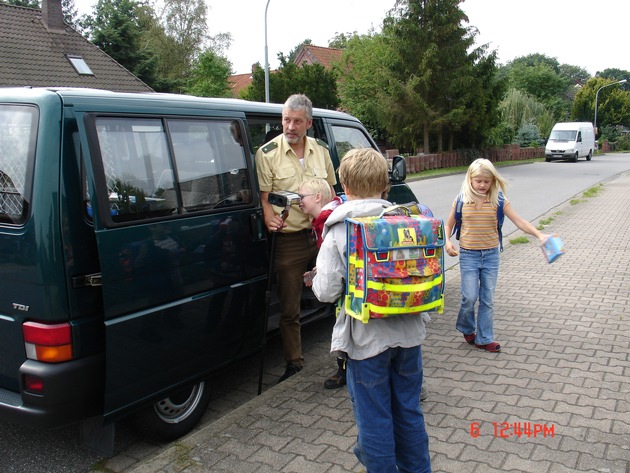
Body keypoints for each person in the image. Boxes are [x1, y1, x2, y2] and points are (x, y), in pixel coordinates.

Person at [312, 148, 431, 473]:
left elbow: (326, 291)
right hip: (409, 336)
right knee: (408, 412)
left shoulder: (340, 229)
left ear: (344, 187)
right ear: (385, 186)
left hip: (365, 343)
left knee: (375, 418)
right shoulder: (406, 222)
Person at [255, 94, 337, 383]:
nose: (290, 126)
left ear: (309, 123)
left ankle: (345, 359)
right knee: (289, 307)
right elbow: (265, 199)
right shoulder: (266, 154)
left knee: (341, 294)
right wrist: (268, 217)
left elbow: (332, 192)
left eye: (297, 121)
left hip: (322, 234)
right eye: (286, 120)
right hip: (289, 240)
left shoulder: (321, 151)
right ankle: (295, 365)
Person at [443, 158, 549, 352]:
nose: (482, 185)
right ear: (470, 179)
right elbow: (448, 225)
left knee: (487, 299)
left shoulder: (498, 200)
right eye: (478, 181)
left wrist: (539, 234)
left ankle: (484, 338)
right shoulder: (461, 200)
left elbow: (520, 221)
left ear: (493, 180)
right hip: (468, 256)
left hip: (491, 256)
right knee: (469, 297)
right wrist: (447, 242)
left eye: (487, 181)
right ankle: (467, 328)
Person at [298, 177, 347, 389]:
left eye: (302, 197)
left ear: (317, 197)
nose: (298, 201)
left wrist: (321, 277)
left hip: (346, 285)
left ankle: (344, 370)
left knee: (343, 323)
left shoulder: (329, 220)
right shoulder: (327, 217)